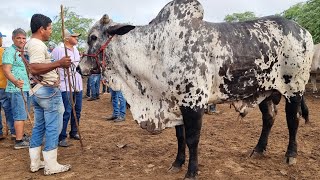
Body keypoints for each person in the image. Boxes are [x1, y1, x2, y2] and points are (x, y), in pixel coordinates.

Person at [24, 14, 71, 175]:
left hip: (37, 91)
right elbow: (35, 68)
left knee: (39, 127)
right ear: (41, 29)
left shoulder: (31, 44)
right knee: (53, 127)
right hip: (47, 91)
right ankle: (51, 165)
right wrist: (59, 63)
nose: (51, 31)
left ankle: (35, 163)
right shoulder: (37, 45)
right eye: (49, 28)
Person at [51, 28, 82, 147]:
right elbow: (52, 65)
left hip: (77, 84)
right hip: (65, 85)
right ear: (67, 38)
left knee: (77, 110)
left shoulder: (76, 49)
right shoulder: (58, 50)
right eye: (74, 36)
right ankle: (61, 136)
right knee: (66, 111)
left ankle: (74, 131)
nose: (76, 38)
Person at [2, 28, 30, 149]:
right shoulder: (9, 51)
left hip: (23, 88)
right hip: (16, 89)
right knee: (19, 114)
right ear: (13, 39)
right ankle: (19, 141)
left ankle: (19, 135)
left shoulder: (21, 51)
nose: (21, 40)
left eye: (24, 38)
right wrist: (15, 81)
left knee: (21, 113)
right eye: (18, 38)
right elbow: (6, 70)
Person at [0, 31, 15, 140]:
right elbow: (6, 68)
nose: (2, 40)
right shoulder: (1, 51)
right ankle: (14, 132)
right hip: (3, 85)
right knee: (8, 109)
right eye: (1, 38)